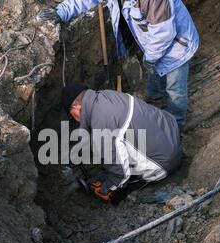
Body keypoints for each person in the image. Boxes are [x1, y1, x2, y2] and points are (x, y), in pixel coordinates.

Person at [40, 0, 200, 128]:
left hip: (177, 47)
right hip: (153, 45)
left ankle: (176, 124)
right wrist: (60, 12)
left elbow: (164, 34)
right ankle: (154, 98)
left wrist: (150, 58)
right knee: (155, 73)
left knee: (175, 90)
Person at [61, 84, 182, 204]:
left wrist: (106, 189)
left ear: (76, 107)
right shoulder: (108, 95)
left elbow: (120, 174)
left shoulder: (101, 124)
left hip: (164, 162)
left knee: (120, 188)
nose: (75, 119)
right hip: (171, 134)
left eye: (72, 115)